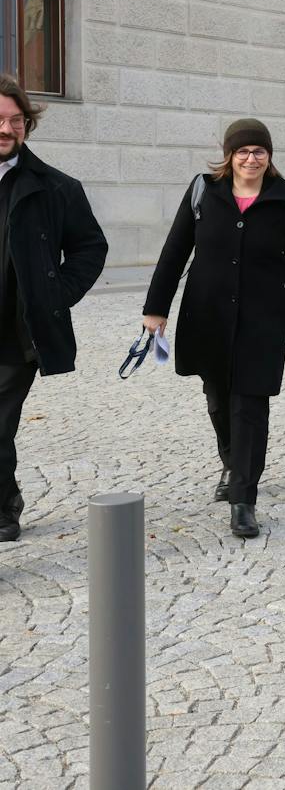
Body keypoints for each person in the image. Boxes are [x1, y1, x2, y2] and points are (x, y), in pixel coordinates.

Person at [142, 119, 285, 539]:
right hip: (208, 314)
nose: (251, 159)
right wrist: (155, 308)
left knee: (250, 405)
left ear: (269, 156)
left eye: (259, 151)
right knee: (217, 398)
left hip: (264, 319)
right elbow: (175, 249)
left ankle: (243, 500)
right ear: (229, 155)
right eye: (243, 151)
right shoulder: (204, 191)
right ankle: (233, 462)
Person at [0, 77, 108, 544]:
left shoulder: (56, 187)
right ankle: (7, 497)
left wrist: (54, 294)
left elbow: (90, 247)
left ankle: (2, 509)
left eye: (14, 120)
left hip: (15, 336)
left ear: (27, 124)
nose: (6, 128)